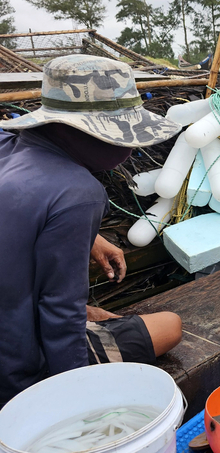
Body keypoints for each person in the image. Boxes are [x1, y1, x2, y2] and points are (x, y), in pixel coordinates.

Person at [0, 55, 183, 407]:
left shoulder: (9, 150)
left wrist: (90, 238)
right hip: (18, 371)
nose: (129, 149)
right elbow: (59, 315)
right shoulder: (78, 193)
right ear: (82, 132)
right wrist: (78, 400)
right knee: (169, 325)